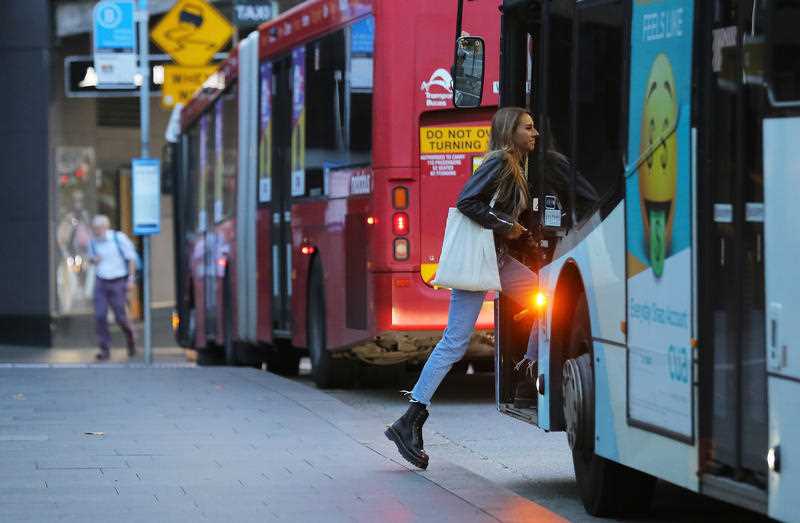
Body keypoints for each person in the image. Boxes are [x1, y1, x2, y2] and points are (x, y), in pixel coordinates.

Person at [385, 107, 541, 469]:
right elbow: (466, 202)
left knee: (543, 301)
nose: (535, 134)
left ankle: (525, 373)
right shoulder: (500, 161)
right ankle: (411, 417)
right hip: (485, 259)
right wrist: (506, 226)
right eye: (528, 128)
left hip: (495, 260)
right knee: (456, 340)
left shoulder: (516, 164)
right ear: (510, 131)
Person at [88, 215, 137, 361]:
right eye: (94, 229)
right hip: (101, 280)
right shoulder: (93, 242)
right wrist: (93, 260)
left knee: (120, 317)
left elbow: (131, 258)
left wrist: (131, 279)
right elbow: (91, 259)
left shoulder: (118, 238)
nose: (96, 231)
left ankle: (131, 339)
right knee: (100, 315)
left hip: (118, 280)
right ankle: (105, 349)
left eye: (98, 228)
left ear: (105, 227)